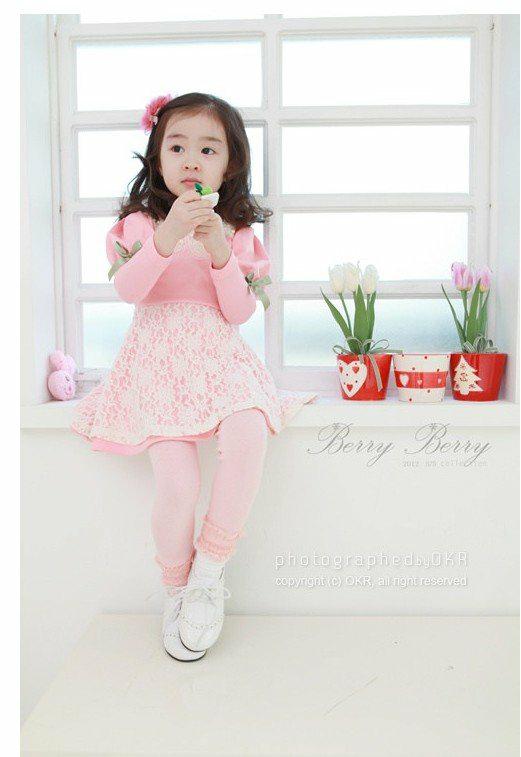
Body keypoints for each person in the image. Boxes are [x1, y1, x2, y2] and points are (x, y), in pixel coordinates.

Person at [70, 91, 318, 661]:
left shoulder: (237, 231)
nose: (190, 160)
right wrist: (166, 236)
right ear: (157, 157)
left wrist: (219, 250)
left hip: (218, 360)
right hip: (158, 364)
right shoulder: (138, 224)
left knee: (249, 431)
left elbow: (239, 312)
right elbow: (130, 290)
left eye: (208, 149)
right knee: (177, 484)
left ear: (229, 164)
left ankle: (210, 569)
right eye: (177, 146)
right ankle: (177, 587)